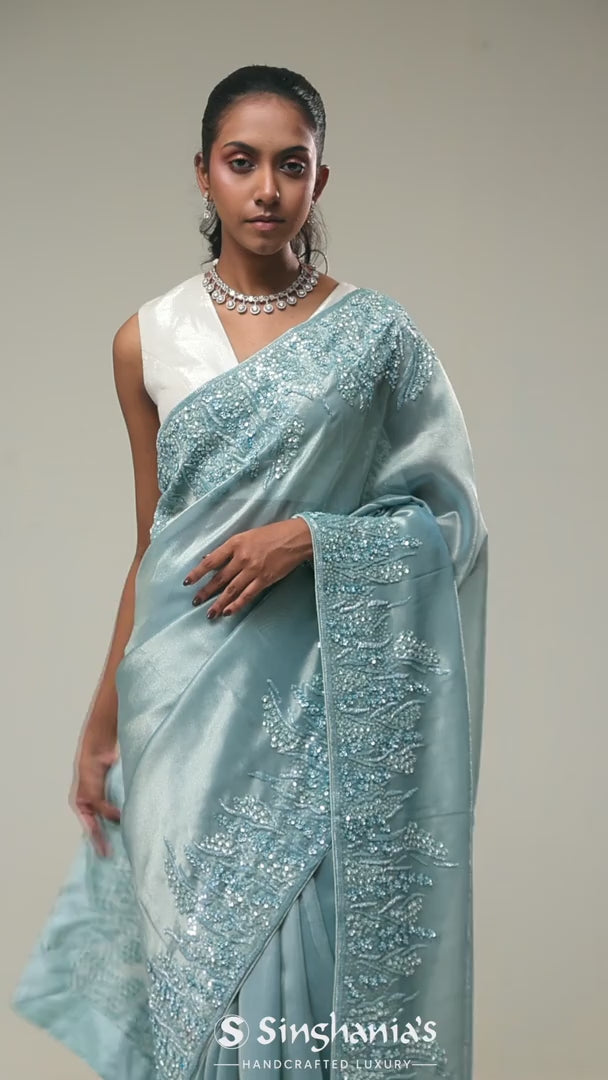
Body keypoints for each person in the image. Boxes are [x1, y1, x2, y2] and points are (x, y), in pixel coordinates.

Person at [11, 65, 489, 1080]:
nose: (266, 189)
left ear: (320, 179)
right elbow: (152, 542)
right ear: (203, 173)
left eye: (290, 165)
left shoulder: (375, 338)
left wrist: (312, 537)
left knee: (298, 963)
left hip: (318, 709)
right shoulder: (145, 339)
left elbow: (451, 523)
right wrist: (101, 725)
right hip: (178, 707)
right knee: (195, 989)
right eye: (241, 163)